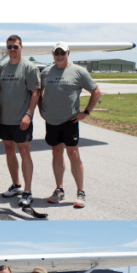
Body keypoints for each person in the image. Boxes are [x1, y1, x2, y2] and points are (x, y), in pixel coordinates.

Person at [39, 42, 101, 209]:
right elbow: (37, 92)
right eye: (56, 52)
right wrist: (40, 109)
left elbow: (96, 91)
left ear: (68, 53)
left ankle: (80, 192)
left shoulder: (79, 71)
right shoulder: (46, 72)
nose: (59, 55)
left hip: (69, 120)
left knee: (73, 154)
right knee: (56, 152)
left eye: (62, 52)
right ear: (53, 54)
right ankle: (59, 190)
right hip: (51, 120)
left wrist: (86, 112)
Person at [0, 35, 41, 207]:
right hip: (5, 119)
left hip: (22, 119)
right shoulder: (2, 68)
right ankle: (16, 184)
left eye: (15, 46)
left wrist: (28, 114)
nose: (12, 50)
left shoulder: (29, 67)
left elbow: (35, 93)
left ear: (21, 47)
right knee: (8, 149)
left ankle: (28, 191)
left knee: (24, 151)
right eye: (9, 47)